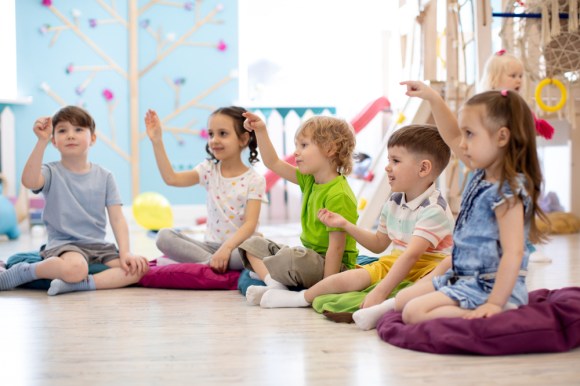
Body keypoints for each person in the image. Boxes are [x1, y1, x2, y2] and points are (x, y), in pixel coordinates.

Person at [257, 125, 455, 318]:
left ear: (423, 168)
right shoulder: (393, 202)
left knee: (436, 277)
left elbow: (411, 256)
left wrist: (379, 291)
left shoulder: (434, 209)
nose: (387, 167)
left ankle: (383, 308)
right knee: (348, 278)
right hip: (394, 262)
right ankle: (299, 298)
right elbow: (378, 245)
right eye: (388, 159)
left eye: (395, 161)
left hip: (428, 267)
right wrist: (345, 224)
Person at [396, 82, 547, 324]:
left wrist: (495, 303)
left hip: (489, 287)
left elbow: (514, 253)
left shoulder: (508, 193)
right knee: (403, 299)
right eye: (464, 134)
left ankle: (504, 312)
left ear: (501, 137)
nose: (462, 143)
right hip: (464, 277)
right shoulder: (481, 170)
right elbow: (452, 135)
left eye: (470, 134)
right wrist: (433, 99)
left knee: (413, 313)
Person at [0, 106, 149, 295]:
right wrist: (41, 141)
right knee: (77, 269)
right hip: (65, 245)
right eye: (63, 131)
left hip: (99, 247)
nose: (70, 135)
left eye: (78, 129)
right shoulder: (51, 172)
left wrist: (126, 252)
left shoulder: (105, 176)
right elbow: (29, 181)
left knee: (137, 270)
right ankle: (23, 272)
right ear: (54, 140)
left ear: (92, 138)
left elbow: (118, 219)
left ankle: (80, 284)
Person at [240, 112, 358, 306]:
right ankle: (274, 284)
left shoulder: (339, 195)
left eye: (303, 145)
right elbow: (273, 163)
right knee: (252, 244)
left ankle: (273, 278)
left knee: (291, 258)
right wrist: (260, 130)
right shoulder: (309, 180)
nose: (296, 152)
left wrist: (327, 287)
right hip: (309, 259)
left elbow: (336, 248)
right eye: (297, 145)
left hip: (334, 267)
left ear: (329, 149)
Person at [145, 107, 268, 273]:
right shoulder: (208, 170)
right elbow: (171, 179)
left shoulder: (254, 180)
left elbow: (250, 224)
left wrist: (226, 249)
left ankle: (206, 263)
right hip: (208, 247)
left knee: (255, 248)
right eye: (211, 134)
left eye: (222, 134)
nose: (214, 140)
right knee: (163, 236)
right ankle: (212, 262)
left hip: (237, 249)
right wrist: (157, 141)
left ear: (243, 139)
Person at [480, 49, 553, 262]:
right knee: (502, 206)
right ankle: (504, 245)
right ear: (495, 79)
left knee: (524, 204)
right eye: (512, 76)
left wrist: (534, 125)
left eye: (520, 76)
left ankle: (527, 246)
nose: (518, 80)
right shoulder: (489, 105)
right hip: (499, 166)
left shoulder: (519, 104)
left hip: (520, 164)